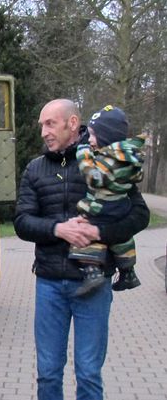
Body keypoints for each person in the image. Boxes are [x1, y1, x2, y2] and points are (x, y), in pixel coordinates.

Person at [14, 98, 149, 400]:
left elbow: (138, 214)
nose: (44, 132)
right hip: (49, 284)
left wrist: (99, 232)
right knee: (48, 371)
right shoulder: (35, 169)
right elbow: (22, 221)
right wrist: (60, 229)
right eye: (41, 125)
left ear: (73, 123)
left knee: (89, 373)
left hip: (94, 285)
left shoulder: (105, 160)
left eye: (51, 124)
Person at [69, 105, 145, 297]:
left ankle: (91, 271)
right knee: (121, 237)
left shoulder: (108, 158)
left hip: (103, 205)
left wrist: (83, 153)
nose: (90, 139)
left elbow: (94, 177)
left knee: (85, 231)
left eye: (93, 135)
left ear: (106, 136)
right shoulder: (127, 156)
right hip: (121, 204)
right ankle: (128, 271)